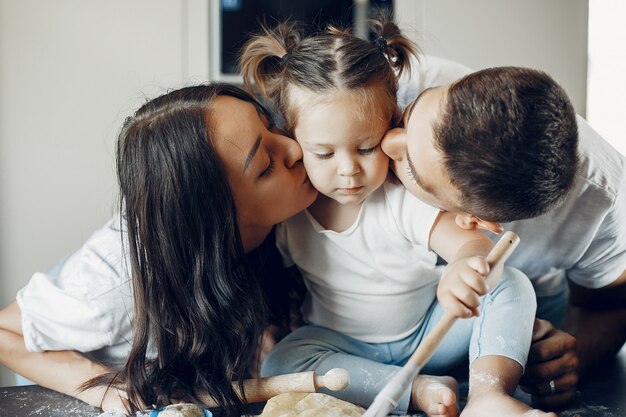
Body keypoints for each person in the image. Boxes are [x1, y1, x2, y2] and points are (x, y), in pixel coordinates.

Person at [240, 20, 552, 417]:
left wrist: (464, 266)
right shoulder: (290, 213)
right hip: (342, 347)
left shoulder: (399, 200)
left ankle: (489, 395)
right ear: (292, 139)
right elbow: (263, 279)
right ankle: (415, 389)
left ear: (392, 124)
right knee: (282, 363)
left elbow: (471, 244)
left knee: (510, 282)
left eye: (367, 147)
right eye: (323, 154)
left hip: (432, 332)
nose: (349, 170)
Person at [0, 83, 318, 417]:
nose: (294, 149)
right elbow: (4, 332)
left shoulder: (292, 203)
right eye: (266, 165)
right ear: (213, 216)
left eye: (270, 124)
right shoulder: (109, 284)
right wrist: (101, 386)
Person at [382, 63, 626, 409]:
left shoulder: (606, 206)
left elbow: (610, 306)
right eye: (408, 115)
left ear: (475, 220)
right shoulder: (396, 80)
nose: (387, 139)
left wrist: (573, 353)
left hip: (504, 314)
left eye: (410, 167)